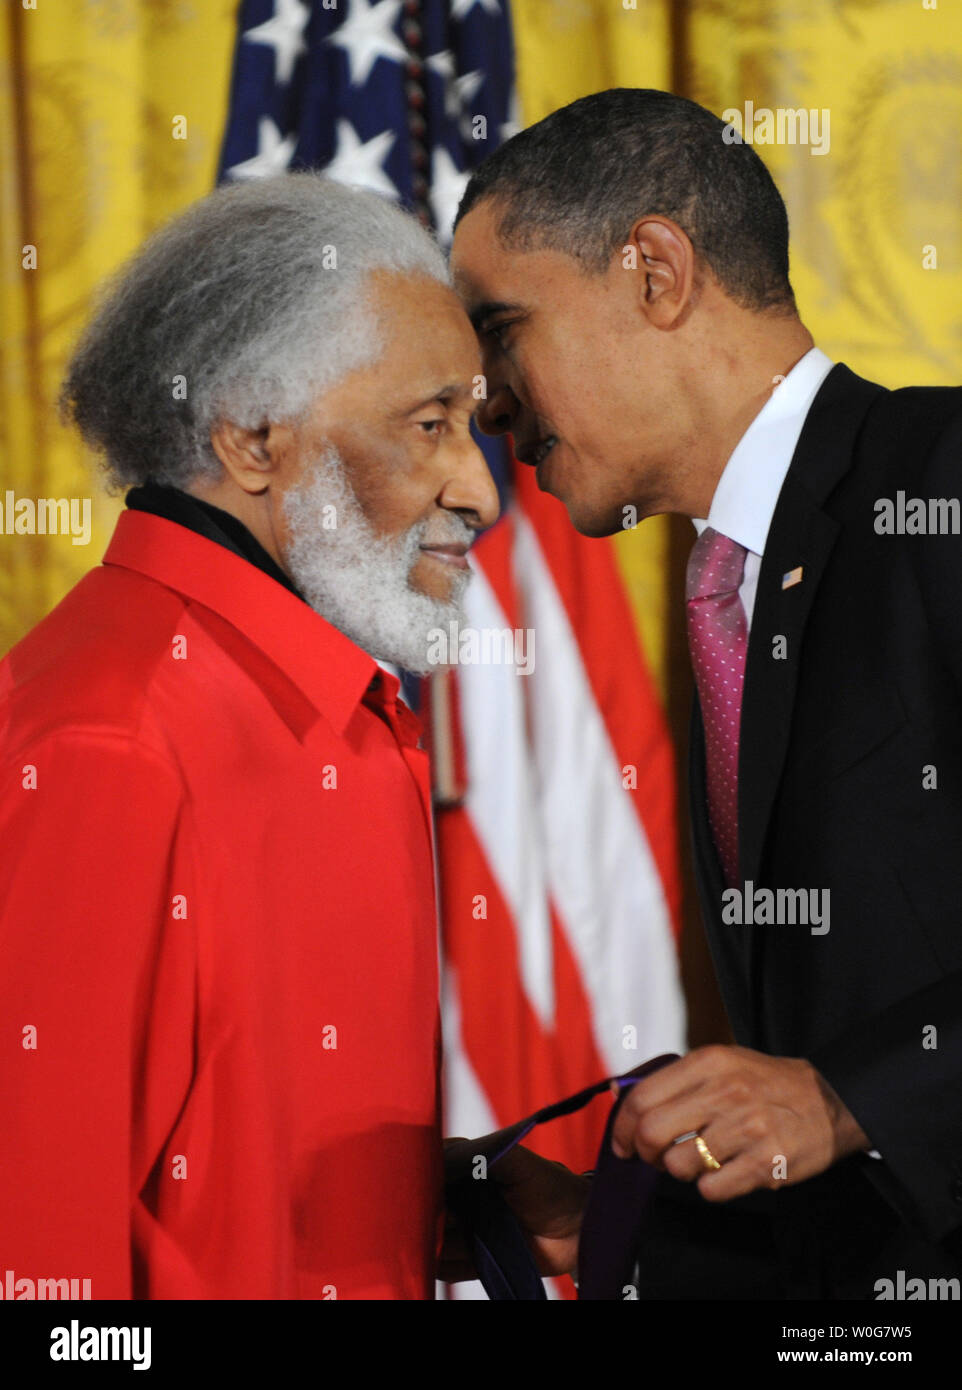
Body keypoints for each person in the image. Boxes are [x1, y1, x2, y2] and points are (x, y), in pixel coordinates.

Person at [0, 173, 586, 1300]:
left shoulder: (324, 702)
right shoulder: (105, 742)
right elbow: (38, 1262)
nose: (481, 488)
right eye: (430, 425)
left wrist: (421, 1195)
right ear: (254, 437)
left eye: (471, 423)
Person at [450, 87, 962, 1298]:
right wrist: (617, 1226)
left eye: (502, 330)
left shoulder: (938, 476)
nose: (486, 403)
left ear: (656, 273)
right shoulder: (725, 582)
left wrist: (849, 1097)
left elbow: (842, 1093)